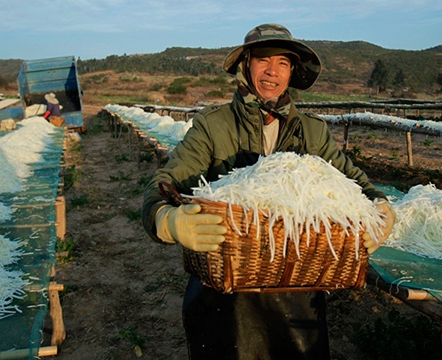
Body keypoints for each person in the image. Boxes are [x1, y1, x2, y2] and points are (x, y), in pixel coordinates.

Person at [142, 23, 395, 360]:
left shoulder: (312, 133)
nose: (272, 71)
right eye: (263, 60)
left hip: (298, 290)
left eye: (283, 63)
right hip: (227, 293)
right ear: (245, 66)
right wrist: (167, 220)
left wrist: (380, 209)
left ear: (292, 72)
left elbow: (357, 182)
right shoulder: (214, 126)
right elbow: (163, 184)